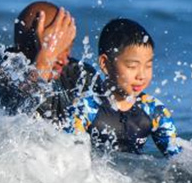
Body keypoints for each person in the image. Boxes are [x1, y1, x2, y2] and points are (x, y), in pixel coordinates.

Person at [67, 18, 182, 157]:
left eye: (148, 66)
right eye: (132, 66)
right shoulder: (86, 107)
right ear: (105, 64)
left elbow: (179, 159)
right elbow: (68, 158)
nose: (141, 75)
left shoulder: (154, 111)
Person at [0, 1, 101, 124]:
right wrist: (44, 61)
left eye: (67, 47)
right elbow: (13, 127)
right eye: (57, 50)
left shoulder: (80, 77)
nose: (64, 60)